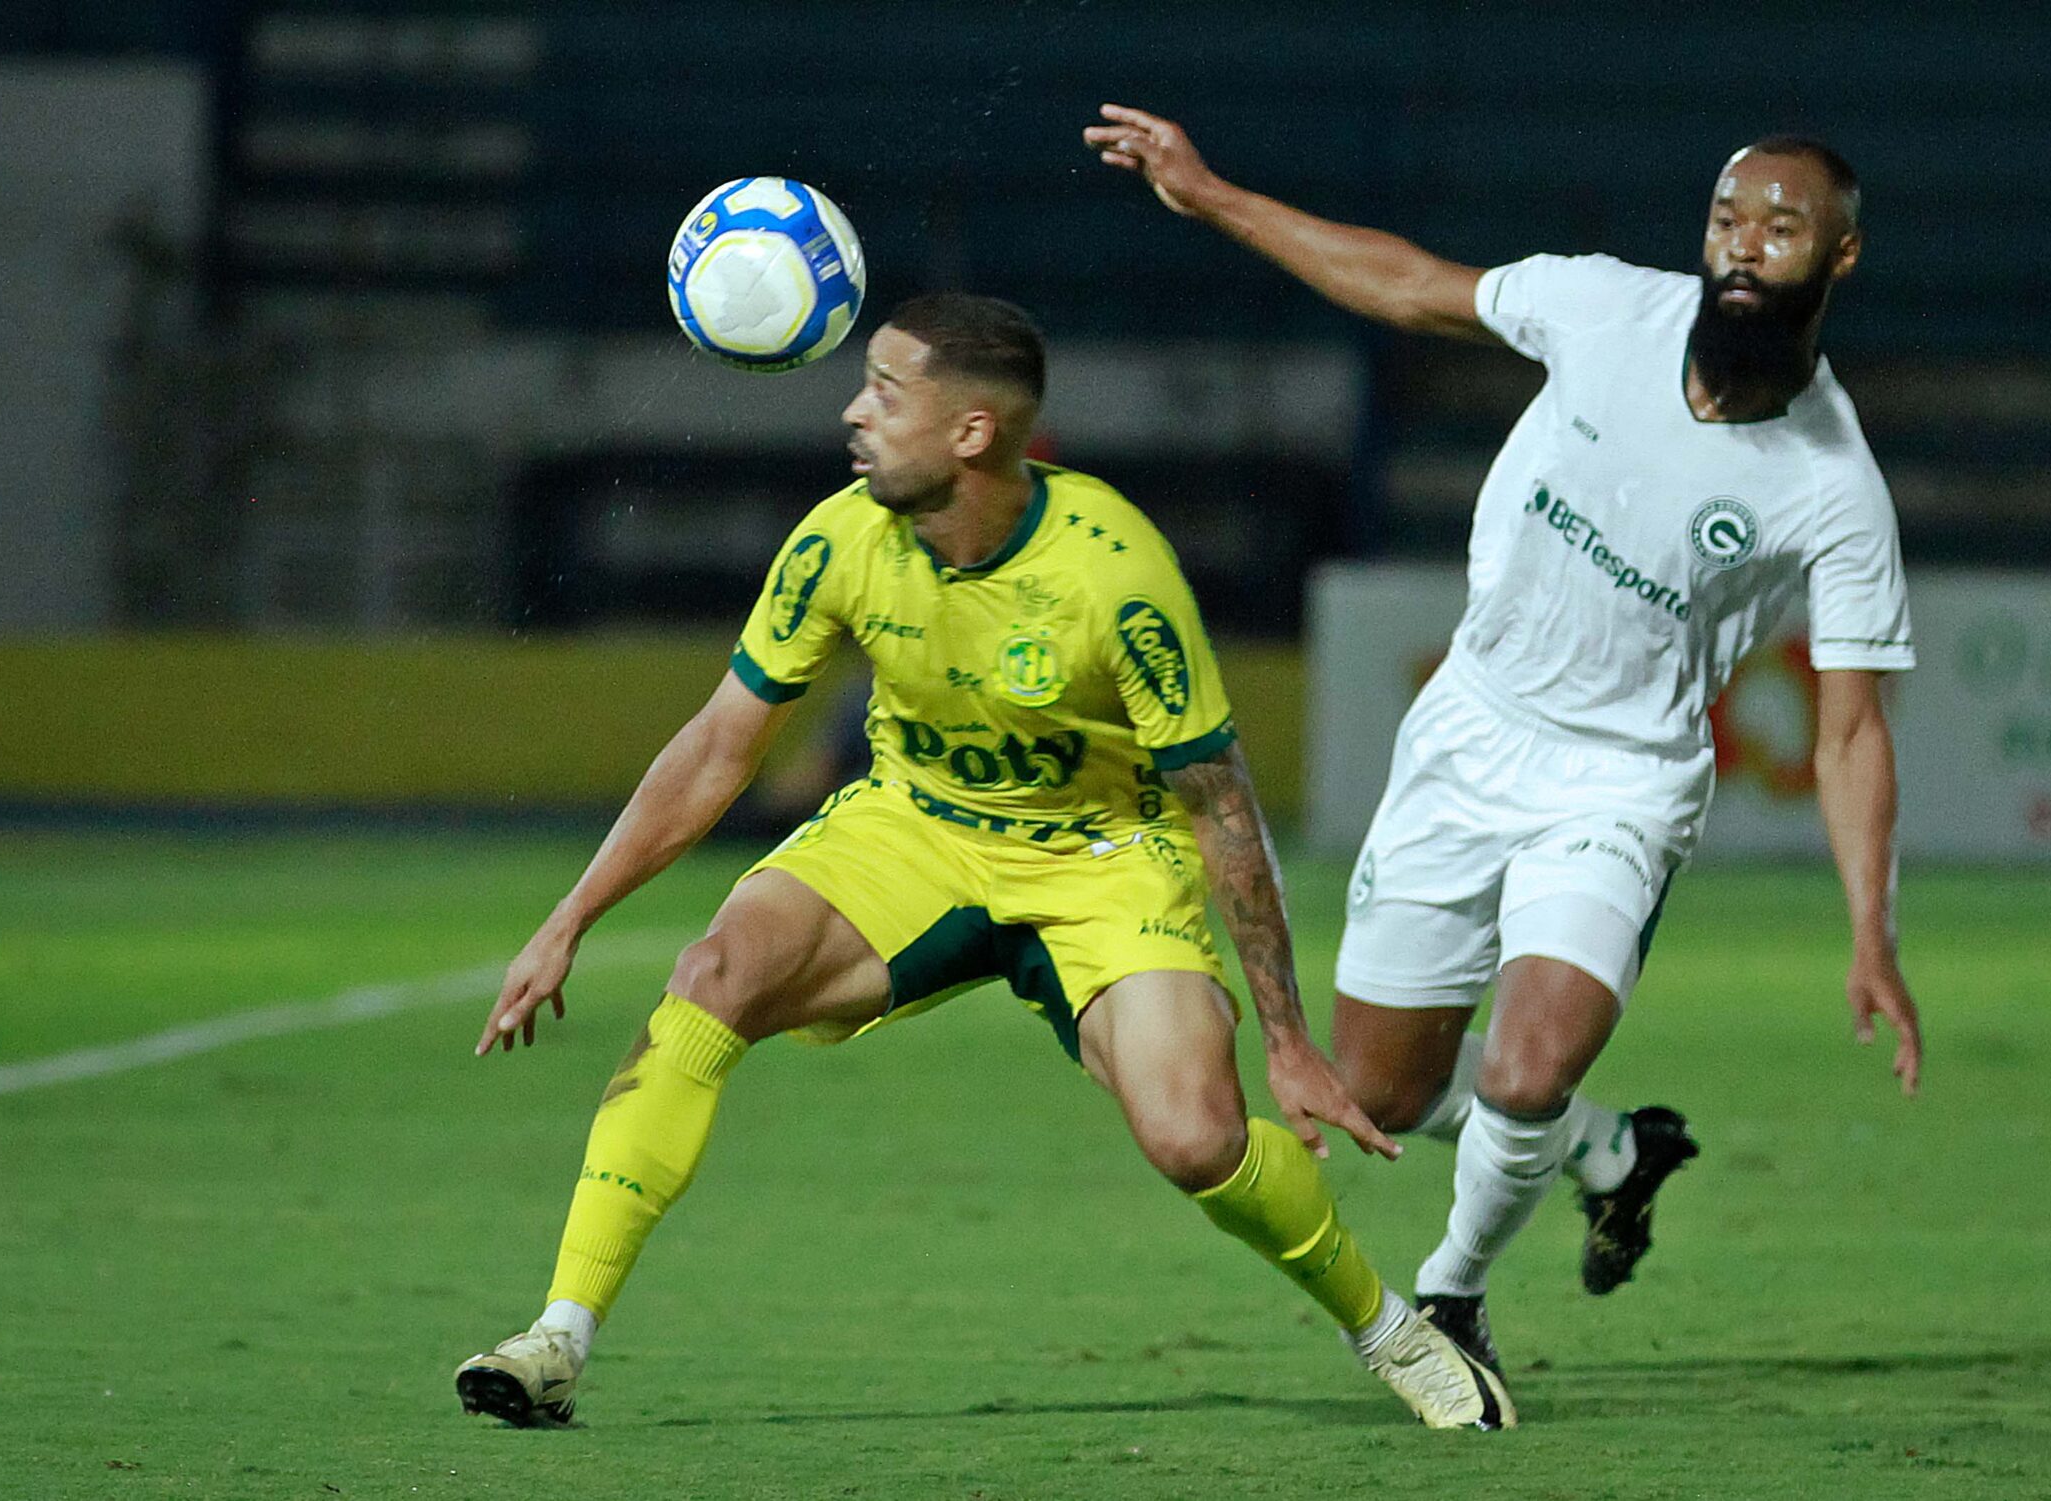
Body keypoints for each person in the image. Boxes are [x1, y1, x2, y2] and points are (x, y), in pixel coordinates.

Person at [453, 293, 1517, 1431]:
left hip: (1103, 862)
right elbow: (723, 740)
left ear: (969, 433)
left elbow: (1222, 806)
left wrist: (1291, 1040)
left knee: (1194, 1137)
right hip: (913, 832)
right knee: (712, 978)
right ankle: (560, 1336)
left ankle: (1389, 1329)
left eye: (886, 392)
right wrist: (572, 916)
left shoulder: (1114, 573)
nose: (853, 412)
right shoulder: (840, 537)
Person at [1084, 105, 1924, 1376]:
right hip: (1469, 736)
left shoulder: (1832, 486)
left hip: (1622, 782)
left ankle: (1453, 1291)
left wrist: (1872, 929)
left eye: (1781, 226)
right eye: (1725, 218)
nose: (1743, 246)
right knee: (1375, 1092)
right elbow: (1411, 284)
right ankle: (1612, 1152)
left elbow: (1851, 731)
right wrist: (1212, 196)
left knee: (1527, 1061)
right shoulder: (1604, 310)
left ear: (1839, 259)